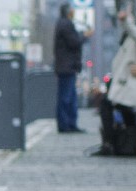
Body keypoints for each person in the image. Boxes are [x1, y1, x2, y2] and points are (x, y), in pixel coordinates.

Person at [95, 6, 136, 156]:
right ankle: (126, 143)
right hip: (132, 84)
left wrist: (126, 22)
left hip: (135, 84)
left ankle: (111, 143)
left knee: (109, 103)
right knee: (120, 106)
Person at [53, 4, 87, 133]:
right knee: (66, 97)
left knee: (70, 97)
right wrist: (85, 36)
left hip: (66, 67)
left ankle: (70, 124)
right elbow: (74, 42)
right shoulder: (66, 24)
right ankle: (65, 125)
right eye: (72, 9)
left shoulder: (62, 23)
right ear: (68, 12)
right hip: (66, 67)